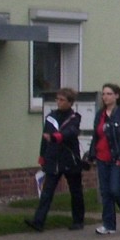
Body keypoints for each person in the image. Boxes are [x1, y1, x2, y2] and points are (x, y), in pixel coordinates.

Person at [25, 88, 86, 232]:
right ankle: (38, 221)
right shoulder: (51, 117)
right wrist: (42, 155)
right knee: (47, 191)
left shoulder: (74, 117)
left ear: (70, 102)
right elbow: (44, 138)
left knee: (76, 191)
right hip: (53, 158)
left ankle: (78, 220)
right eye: (57, 99)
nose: (58, 102)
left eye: (62, 100)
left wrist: (55, 137)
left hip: (70, 159)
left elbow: (70, 133)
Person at [87, 82, 120, 235]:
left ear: (116, 96)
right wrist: (91, 155)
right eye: (103, 94)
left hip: (118, 158)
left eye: (109, 94)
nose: (105, 97)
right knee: (105, 192)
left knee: (115, 189)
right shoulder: (100, 114)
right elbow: (96, 137)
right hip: (102, 157)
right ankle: (109, 225)